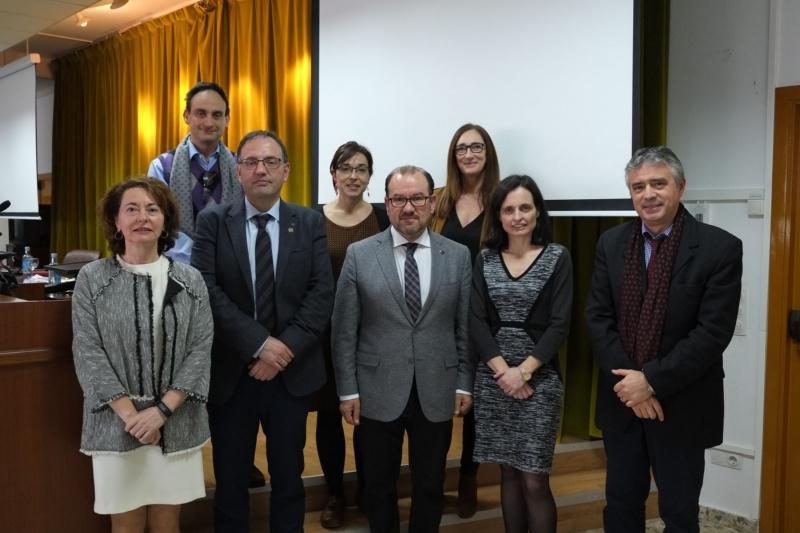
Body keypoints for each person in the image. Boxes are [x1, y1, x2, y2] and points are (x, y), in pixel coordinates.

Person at [585, 146, 743, 533]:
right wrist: (633, 387)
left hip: (682, 404)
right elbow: (598, 318)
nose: (648, 194)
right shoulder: (611, 244)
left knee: (679, 513)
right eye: (638, 187)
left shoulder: (720, 248)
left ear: (680, 187)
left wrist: (650, 381)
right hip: (623, 401)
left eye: (658, 183)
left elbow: (712, 333)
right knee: (621, 505)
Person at [191, 130, 335, 532]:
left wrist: (282, 350)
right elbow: (206, 289)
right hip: (233, 372)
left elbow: (321, 293)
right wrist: (258, 344)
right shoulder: (213, 222)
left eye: (271, 161)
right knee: (231, 479)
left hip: (291, 373)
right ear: (237, 172)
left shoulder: (309, 222)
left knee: (289, 477)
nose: (261, 170)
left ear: (286, 170)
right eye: (251, 162)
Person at [332, 165, 474, 533]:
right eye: (398, 200)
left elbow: (464, 327)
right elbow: (344, 331)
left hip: (437, 387)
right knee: (378, 487)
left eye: (417, 199)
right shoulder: (359, 254)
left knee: (430, 484)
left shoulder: (458, 255)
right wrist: (348, 390)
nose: (408, 208)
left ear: (432, 203)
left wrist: (464, 382)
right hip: (376, 389)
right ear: (386, 203)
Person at [72, 177, 213, 533]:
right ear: (116, 220)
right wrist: (133, 417)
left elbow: (200, 349)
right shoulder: (92, 278)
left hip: (176, 422)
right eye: (131, 209)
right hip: (116, 424)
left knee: (168, 524)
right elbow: (88, 352)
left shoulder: (191, 279)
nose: (142, 217)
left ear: (166, 221)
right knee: (126, 525)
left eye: (152, 209)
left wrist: (161, 412)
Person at [470, 175, 572, 533]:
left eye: (525, 208)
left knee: (534, 478)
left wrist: (523, 372)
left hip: (540, 383)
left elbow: (560, 324)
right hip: (494, 381)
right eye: (509, 209)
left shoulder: (557, 257)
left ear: (538, 211)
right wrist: (504, 374)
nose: (518, 216)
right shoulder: (485, 259)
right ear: (498, 216)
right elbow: (476, 321)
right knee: (508, 473)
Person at [312, 141, 389, 529]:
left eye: (361, 169)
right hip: (326, 335)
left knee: (370, 418)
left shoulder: (383, 218)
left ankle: (368, 490)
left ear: (370, 176)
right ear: (333, 174)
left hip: (372, 332)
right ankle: (335, 494)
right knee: (329, 417)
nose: (353, 176)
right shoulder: (314, 218)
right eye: (346, 168)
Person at [430, 123, 501, 517]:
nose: (469, 154)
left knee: (475, 401)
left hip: (485, 316)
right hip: (439, 314)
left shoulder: (502, 200)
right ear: (453, 156)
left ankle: (468, 478)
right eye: (461, 148)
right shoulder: (439, 200)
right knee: (439, 399)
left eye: (476, 147)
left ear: (488, 153)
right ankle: (433, 478)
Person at [148, 81, 242, 264]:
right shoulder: (162, 167)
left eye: (217, 115)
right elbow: (156, 224)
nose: (209, 122)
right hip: (177, 268)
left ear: (227, 120)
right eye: (201, 113)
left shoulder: (241, 167)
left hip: (230, 266)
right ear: (186, 116)